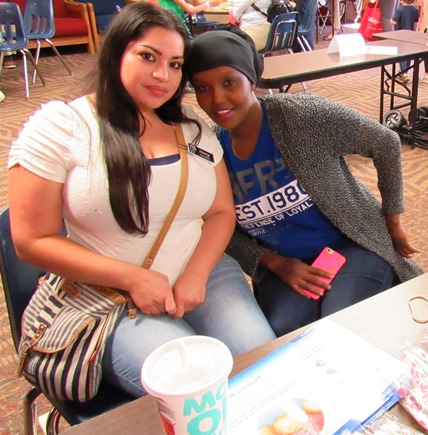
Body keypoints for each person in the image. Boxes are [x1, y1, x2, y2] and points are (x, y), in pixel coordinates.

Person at [7, 3, 277, 398]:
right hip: (110, 294)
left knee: (260, 367)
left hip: (202, 270)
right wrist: (134, 279)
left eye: (174, 64)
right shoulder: (62, 126)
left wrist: (197, 274)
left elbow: (220, 213)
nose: (161, 75)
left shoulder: (193, 130)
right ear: (117, 51)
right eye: (148, 57)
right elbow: (32, 239)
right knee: (195, 392)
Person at [184, 29, 423, 337]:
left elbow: (385, 141)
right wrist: (276, 264)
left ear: (251, 80)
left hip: (349, 244)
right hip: (284, 265)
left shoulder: (300, 115)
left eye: (229, 82)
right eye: (203, 88)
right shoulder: (213, 150)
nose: (216, 99)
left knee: (340, 326)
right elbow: (220, 227)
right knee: (285, 335)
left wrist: (392, 219)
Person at [390, 0, 419, 84]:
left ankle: (403, 73)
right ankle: (405, 71)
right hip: (410, 34)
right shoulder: (415, 9)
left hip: (400, 35)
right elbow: (415, 23)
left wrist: (390, 20)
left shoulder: (400, 9)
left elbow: (393, 21)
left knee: (401, 54)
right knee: (408, 54)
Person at [157, 0, 222, 36]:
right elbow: (190, 10)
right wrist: (210, 4)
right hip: (171, 26)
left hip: (177, 23)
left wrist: (211, 3)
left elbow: (196, 3)